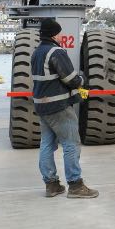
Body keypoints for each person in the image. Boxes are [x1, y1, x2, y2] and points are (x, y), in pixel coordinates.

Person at [30, 18, 99, 199]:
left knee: (46, 144)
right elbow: (71, 79)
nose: (61, 36)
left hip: (41, 106)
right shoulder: (56, 52)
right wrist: (83, 80)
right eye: (59, 33)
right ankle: (75, 185)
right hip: (59, 106)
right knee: (71, 144)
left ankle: (51, 185)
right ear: (54, 34)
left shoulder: (36, 53)